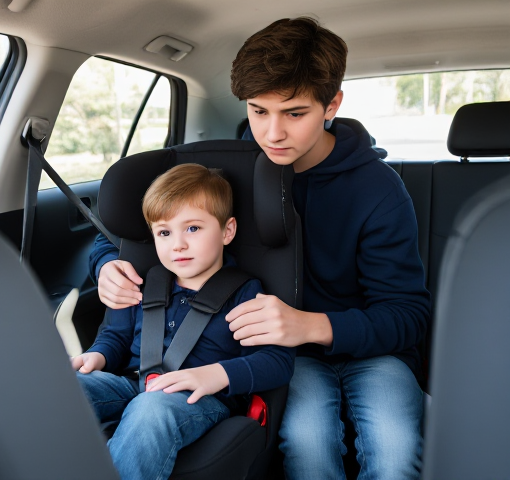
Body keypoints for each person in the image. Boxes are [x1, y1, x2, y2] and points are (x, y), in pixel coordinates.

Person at [89, 17, 431, 480]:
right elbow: (134, 228)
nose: (272, 134)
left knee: (394, 449)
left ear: (331, 105)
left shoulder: (378, 190)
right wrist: (106, 263)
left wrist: (310, 325)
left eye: (294, 113)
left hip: (372, 353)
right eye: (258, 111)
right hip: (287, 358)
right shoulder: (230, 167)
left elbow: (408, 316)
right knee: (309, 445)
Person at [74, 163, 294, 480]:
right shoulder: (143, 282)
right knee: (60, 387)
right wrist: (97, 355)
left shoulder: (246, 293)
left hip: (200, 401)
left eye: (192, 228)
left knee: (150, 410)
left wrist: (217, 374)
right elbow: (115, 338)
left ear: (227, 231)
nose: (177, 244)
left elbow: (276, 361)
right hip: (133, 384)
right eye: (164, 232)